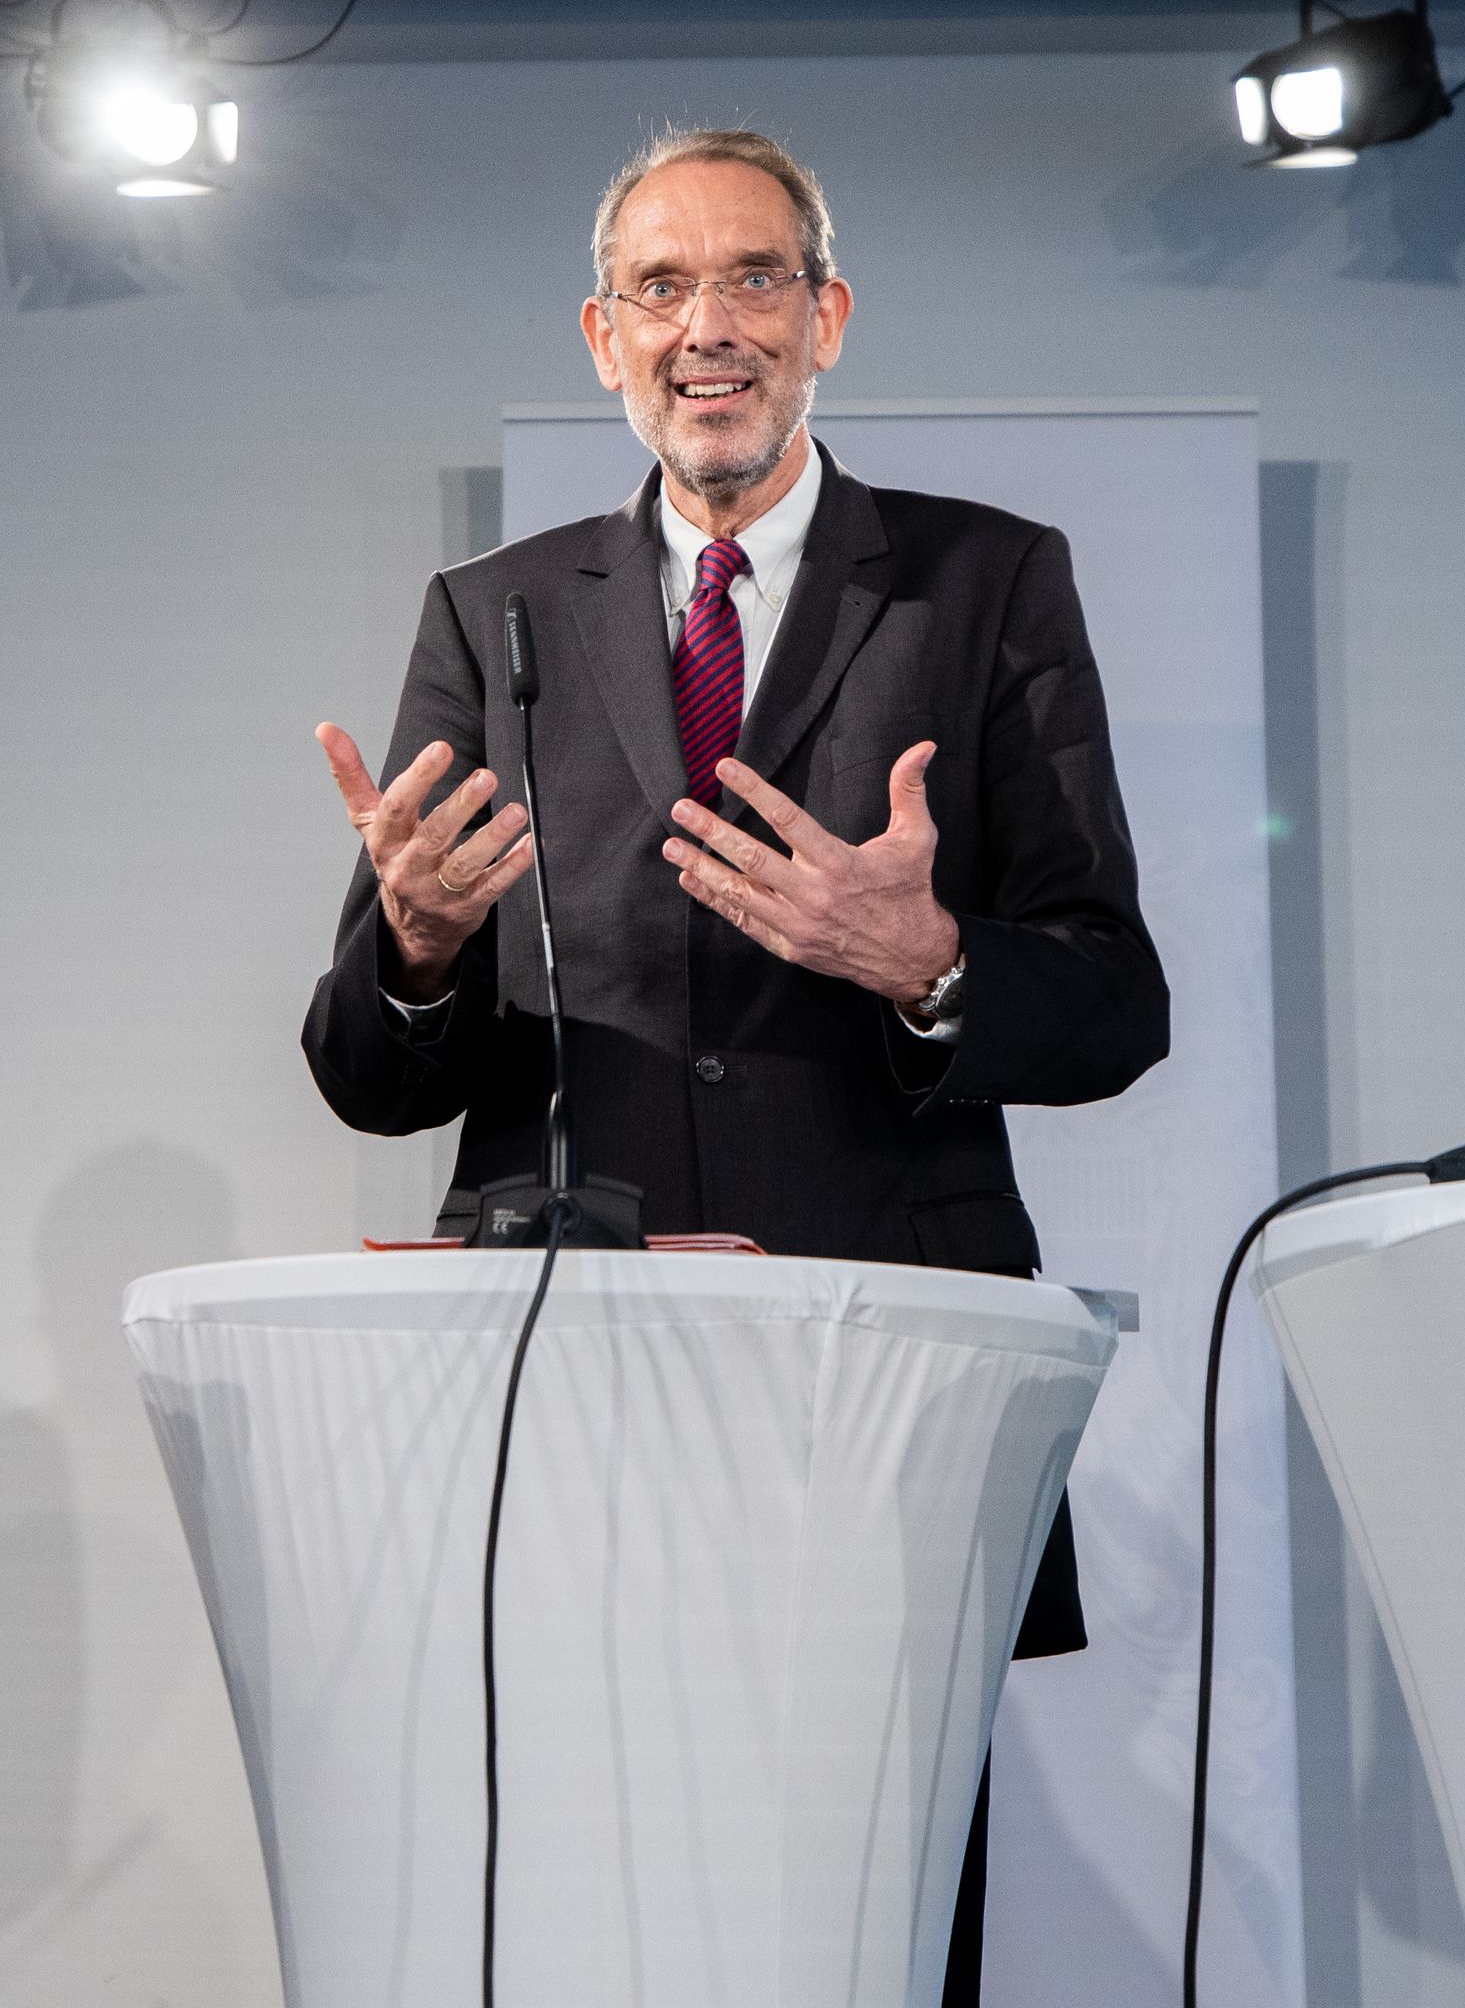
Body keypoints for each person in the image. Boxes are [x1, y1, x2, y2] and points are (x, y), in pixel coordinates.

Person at [301, 127, 1169, 2005]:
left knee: (880, 1928)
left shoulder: (989, 585)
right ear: (604, 335)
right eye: (665, 289)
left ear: (829, 318)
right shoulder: (493, 611)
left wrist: (926, 958)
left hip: (889, 1377)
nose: (713, 327)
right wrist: (420, 947)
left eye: (757, 278)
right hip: (573, 1372)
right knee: (586, 1925)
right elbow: (370, 1075)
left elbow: (1114, 999)